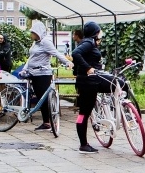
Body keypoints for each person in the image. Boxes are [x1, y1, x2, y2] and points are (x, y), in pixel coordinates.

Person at [71, 21, 112, 153]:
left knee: (83, 112)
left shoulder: (88, 42)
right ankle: (83, 144)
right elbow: (75, 53)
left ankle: (84, 142)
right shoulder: (88, 43)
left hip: (87, 82)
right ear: (95, 32)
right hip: (88, 82)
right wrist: (88, 68)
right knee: (84, 113)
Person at [24, 21, 71, 131]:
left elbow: (56, 53)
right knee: (40, 98)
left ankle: (48, 122)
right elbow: (31, 57)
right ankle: (46, 122)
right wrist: (25, 68)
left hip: (43, 74)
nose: (31, 35)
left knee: (44, 98)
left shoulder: (46, 42)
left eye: (33, 32)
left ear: (38, 32)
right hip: (33, 74)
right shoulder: (36, 42)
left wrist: (67, 62)